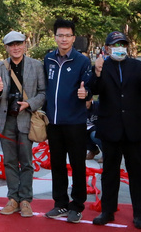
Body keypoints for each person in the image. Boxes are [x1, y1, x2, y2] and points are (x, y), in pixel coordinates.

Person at [89, 31, 141, 230]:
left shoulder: (138, 66)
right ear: (107, 48)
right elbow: (93, 91)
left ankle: (140, 213)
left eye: (123, 44)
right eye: (115, 44)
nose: (120, 47)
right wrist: (97, 73)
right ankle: (108, 210)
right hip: (110, 127)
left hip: (133, 128)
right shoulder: (101, 66)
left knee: (137, 172)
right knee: (109, 172)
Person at [0, 30, 46, 218]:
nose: (16, 48)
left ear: (25, 45)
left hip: (26, 118)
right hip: (6, 120)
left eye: (19, 43)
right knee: (9, 161)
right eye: (11, 45)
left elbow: (43, 92)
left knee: (27, 161)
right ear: (6, 47)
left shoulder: (36, 65)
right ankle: (13, 198)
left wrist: (29, 104)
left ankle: (26, 200)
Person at [43, 18, 92, 223]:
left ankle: (77, 204)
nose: (64, 39)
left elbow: (90, 87)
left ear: (74, 38)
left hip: (75, 122)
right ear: (55, 37)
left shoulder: (82, 61)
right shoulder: (48, 59)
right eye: (60, 35)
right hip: (53, 122)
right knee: (57, 164)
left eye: (68, 35)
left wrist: (86, 93)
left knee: (77, 164)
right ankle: (60, 203)